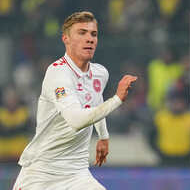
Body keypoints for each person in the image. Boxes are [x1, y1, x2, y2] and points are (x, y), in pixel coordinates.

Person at [12, 11, 137, 190]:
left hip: (76, 173)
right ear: (66, 39)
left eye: (93, 34)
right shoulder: (58, 73)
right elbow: (76, 120)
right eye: (82, 33)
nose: (90, 39)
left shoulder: (100, 73)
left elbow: (96, 99)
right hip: (42, 173)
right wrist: (117, 99)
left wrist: (103, 136)